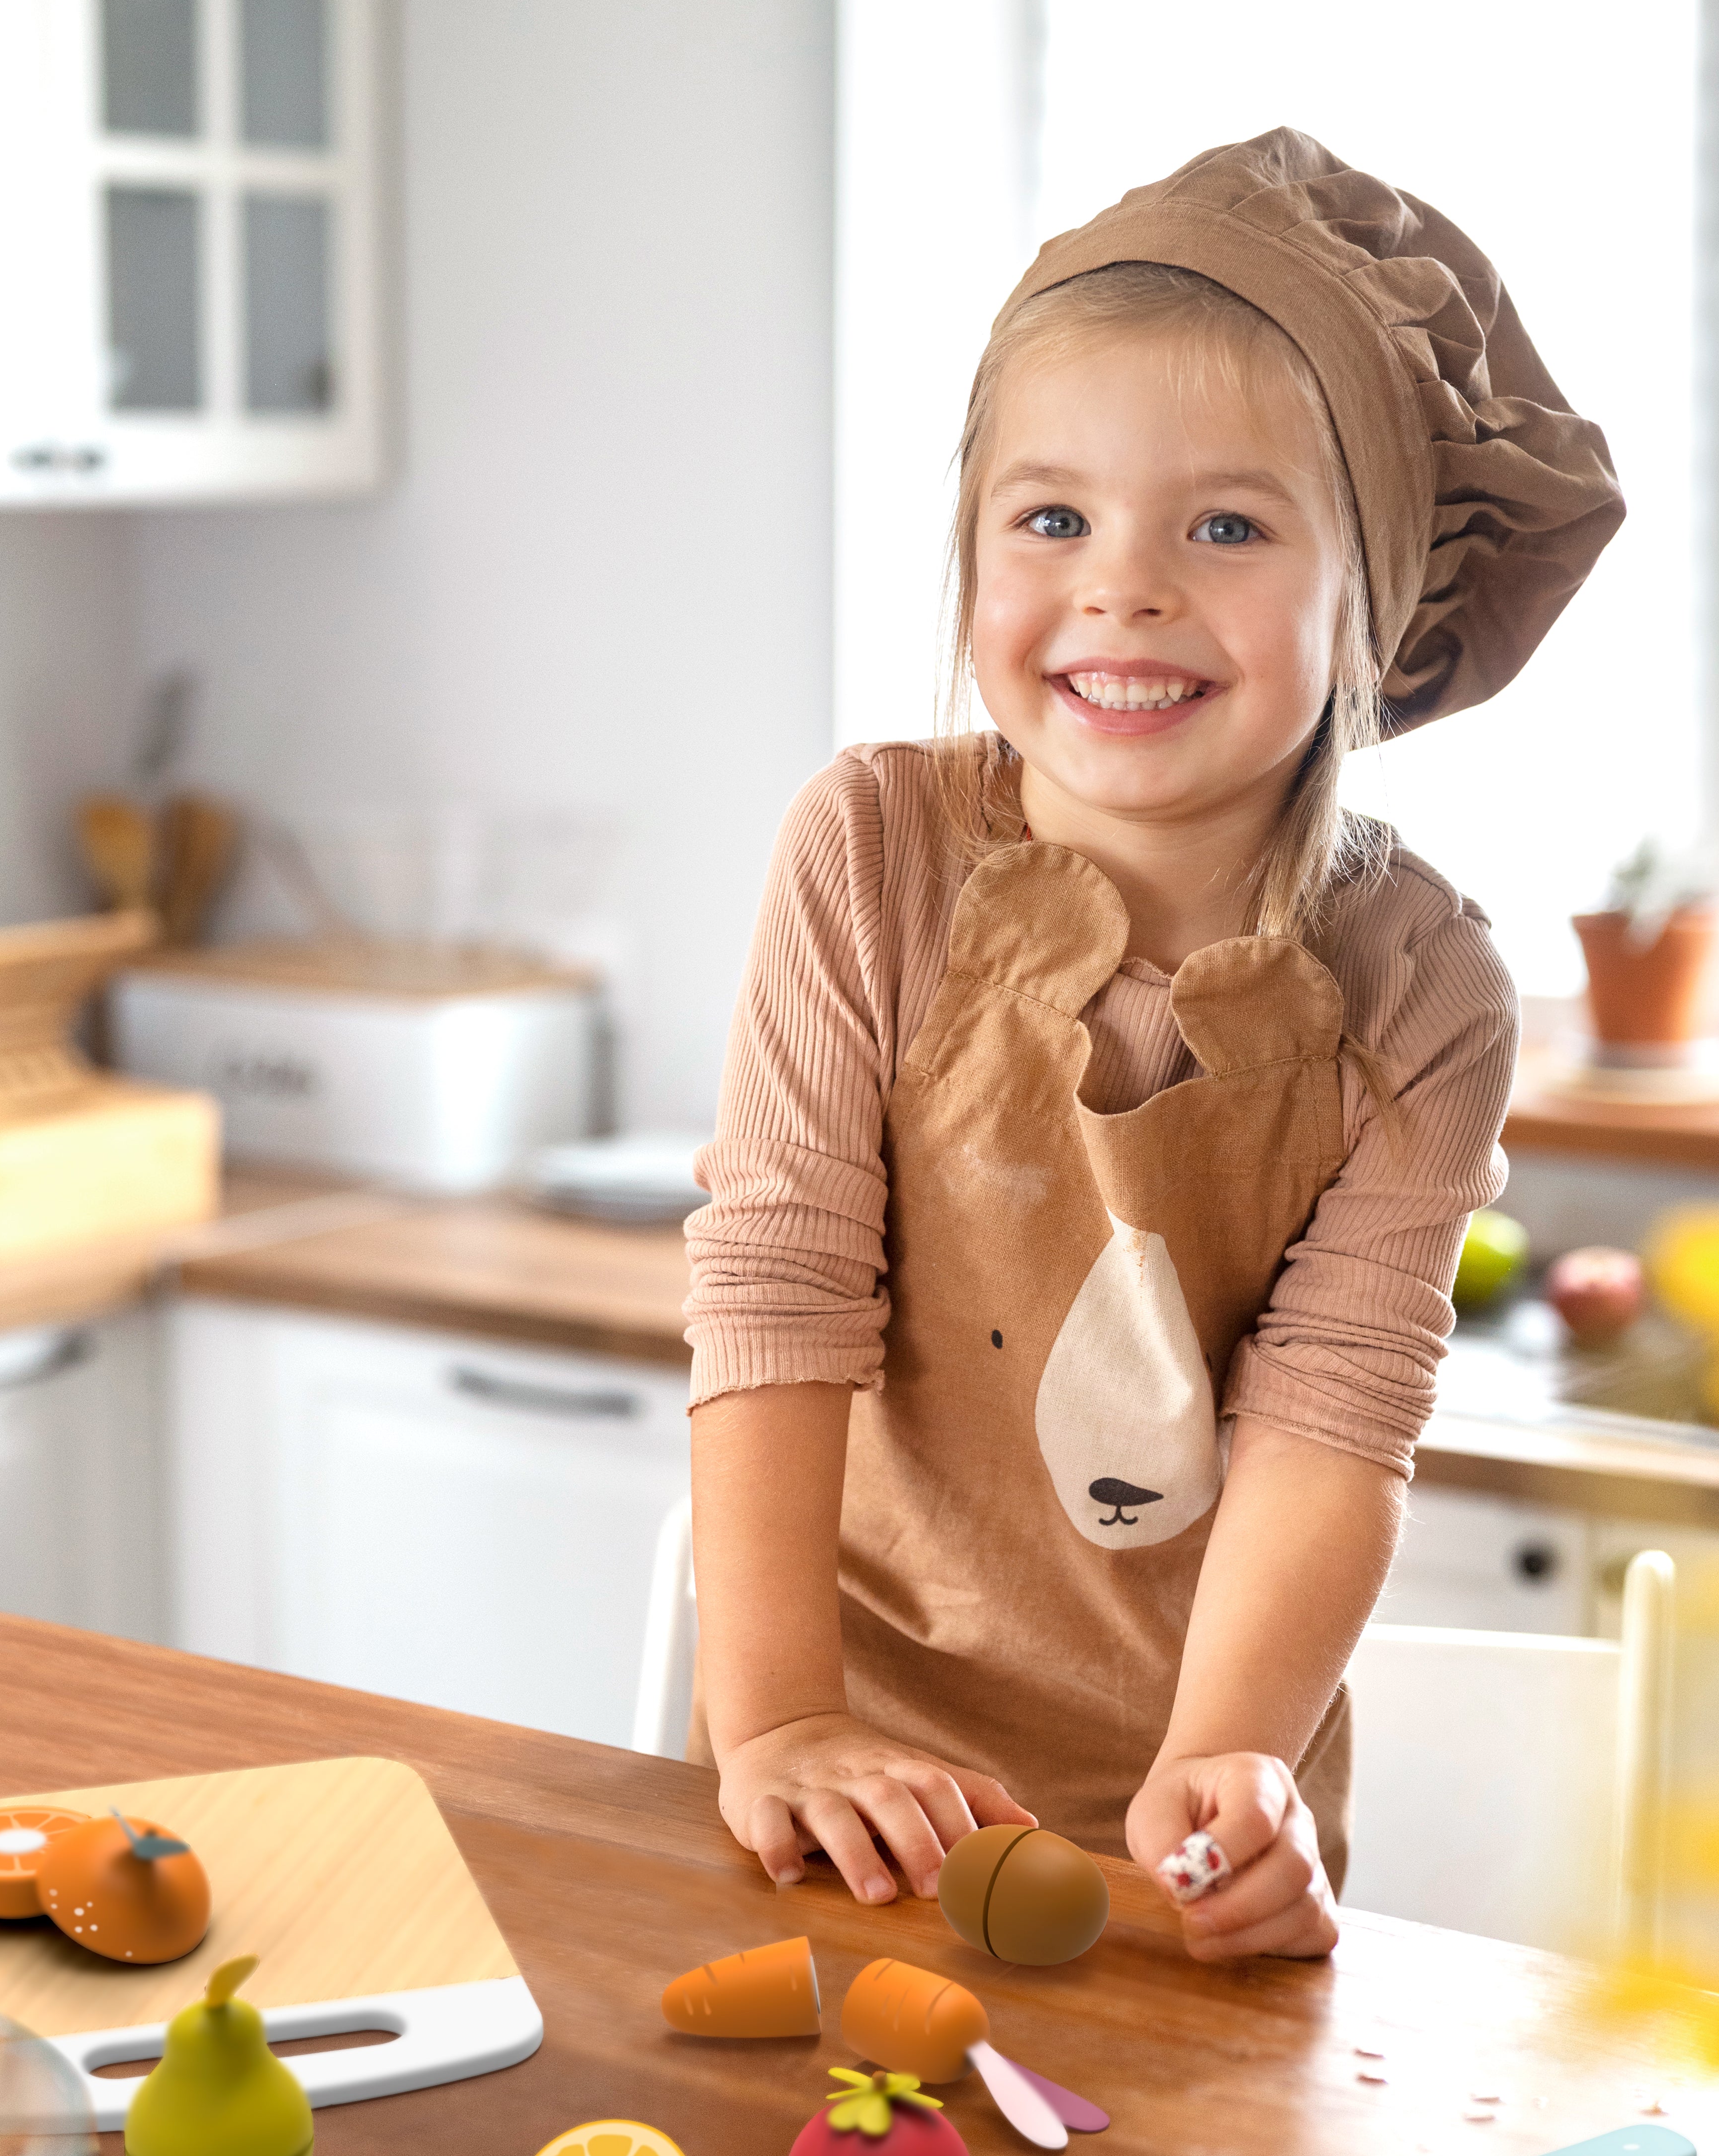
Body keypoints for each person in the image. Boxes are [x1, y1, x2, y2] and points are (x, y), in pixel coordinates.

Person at [684, 129, 1622, 1961]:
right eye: (1054, 519)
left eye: (1229, 525)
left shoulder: (1428, 994)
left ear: (1375, 607)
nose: (1124, 588)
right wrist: (780, 1717)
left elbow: (1332, 1411)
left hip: (1178, 1839)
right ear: (971, 561)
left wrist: (1231, 1756)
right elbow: (778, 1287)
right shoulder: (869, 853)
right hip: (833, 1799)